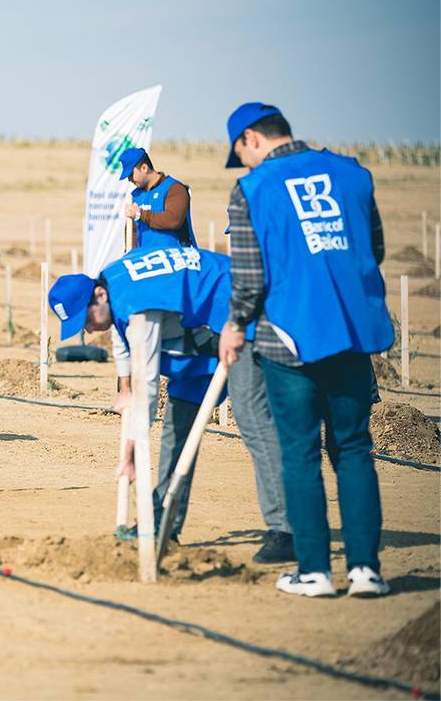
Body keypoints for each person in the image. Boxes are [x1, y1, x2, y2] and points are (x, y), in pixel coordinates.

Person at [218, 102, 393, 598]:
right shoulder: (352, 174)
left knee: (298, 454)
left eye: (241, 153)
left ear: (251, 138)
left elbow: (250, 280)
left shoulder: (253, 188)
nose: (244, 164)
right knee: (355, 449)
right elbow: (373, 249)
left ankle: (315, 572)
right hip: (352, 335)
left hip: (287, 338)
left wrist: (234, 327)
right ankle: (365, 571)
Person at [48, 244, 294, 562]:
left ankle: (287, 530)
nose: (87, 329)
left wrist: (132, 452)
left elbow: (148, 384)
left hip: (241, 313)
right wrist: (123, 389)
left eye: (86, 318)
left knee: (250, 416)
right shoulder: (115, 284)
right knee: (176, 426)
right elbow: (124, 350)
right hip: (202, 332)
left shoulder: (136, 306)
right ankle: (163, 522)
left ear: (99, 296)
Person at [120, 148, 197, 249]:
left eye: (131, 175)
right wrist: (130, 254)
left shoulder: (174, 188)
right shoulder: (135, 196)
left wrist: (140, 214)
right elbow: (133, 230)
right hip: (146, 262)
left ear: (144, 168)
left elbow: (173, 220)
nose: (129, 180)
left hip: (176, 260)